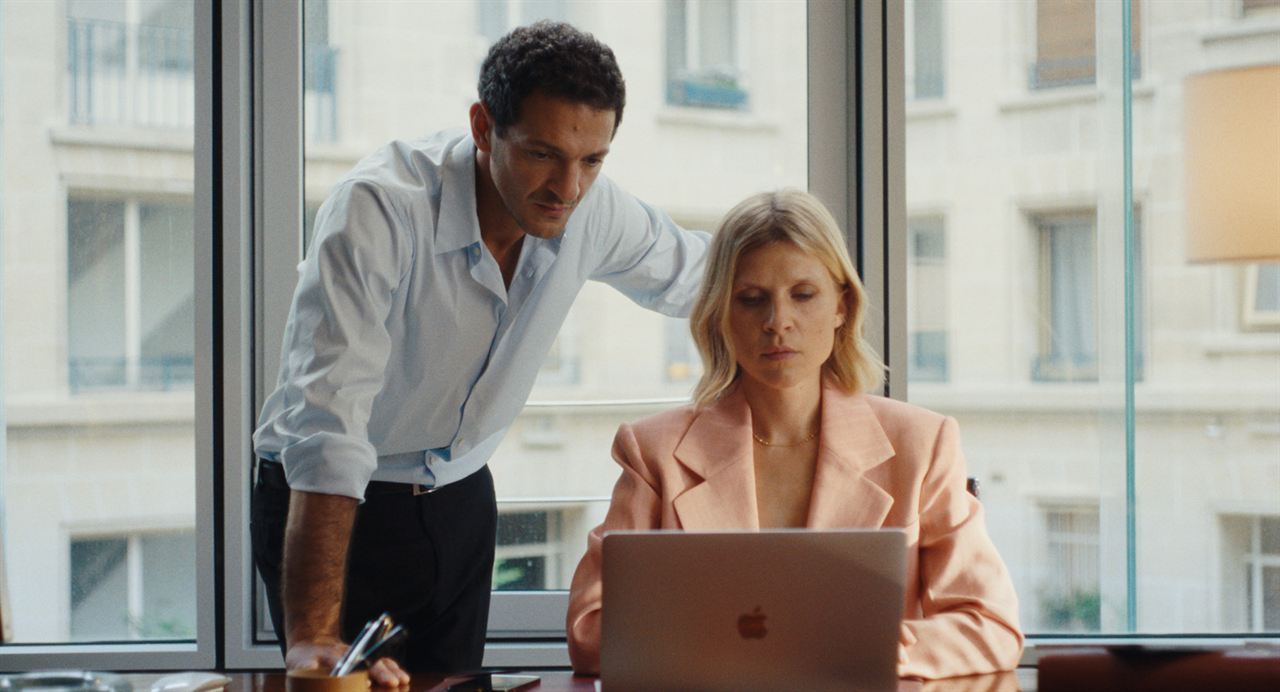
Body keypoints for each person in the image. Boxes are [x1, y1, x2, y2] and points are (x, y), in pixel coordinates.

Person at [251, 21, 709, 684]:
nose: (568, 187)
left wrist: (820, 294)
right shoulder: (379, 210)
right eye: (543, 153)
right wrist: (316, 635)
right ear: (483, 127)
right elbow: (328, 428)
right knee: (341, 686)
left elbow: (705, 278)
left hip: (458, 496)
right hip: (335, 500)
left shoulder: (591, 209)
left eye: (592, 160)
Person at [565, 189, 1024, 680]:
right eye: (751, 299)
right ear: (721, 314)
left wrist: (887, 648)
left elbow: (991, 624)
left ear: (841, 306)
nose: (777, 322)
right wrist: (779, 647)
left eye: (803, 295)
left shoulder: (922, 444)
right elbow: (591, 631)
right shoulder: (653, 451)